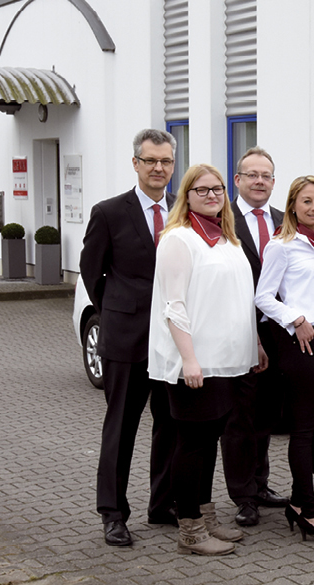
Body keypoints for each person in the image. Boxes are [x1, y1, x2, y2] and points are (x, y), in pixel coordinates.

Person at [148, 163, 266, 555]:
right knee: (192, 444)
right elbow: (174, 305)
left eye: (217, 189)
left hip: (226, 361)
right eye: (202, 190)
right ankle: (190, 530)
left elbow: (237, 300)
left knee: (209, 442)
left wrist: (254, 344)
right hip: (195, 362)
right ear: (186, 196)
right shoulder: (179, 239)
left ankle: (205, 516)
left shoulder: (227, 239)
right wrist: (189, 359)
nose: (212, 195)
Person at [80, 128, 178, 547]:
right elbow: (92, 273)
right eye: (150, 160)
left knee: (171, 424)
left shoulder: (183, 209)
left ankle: (163, 504)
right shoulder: (109, 212)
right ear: (135, 163)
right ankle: (113, 513)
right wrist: (118, 310)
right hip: (127, 339)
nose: (159, 168)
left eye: (166, 161)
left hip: (173, 339)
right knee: (121, 428)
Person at [255, 175, 314, 543]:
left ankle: (296, 502)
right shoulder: (282, 245)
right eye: (307, 201)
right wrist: (294, 319)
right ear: (292, 205)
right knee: (304, 428)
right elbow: (264, 297)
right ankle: (309, 509)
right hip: (300, 345)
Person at [222, 146, 289, 530]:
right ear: (238, 180)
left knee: (266, 416)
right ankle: (243, 496)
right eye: (252, 175)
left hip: (277, 331)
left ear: (274, 182)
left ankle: (260, 484)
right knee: (239, 419)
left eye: (266, 176)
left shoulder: (284, 221)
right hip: (239, 330)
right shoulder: (222, 221)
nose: (260, 181)